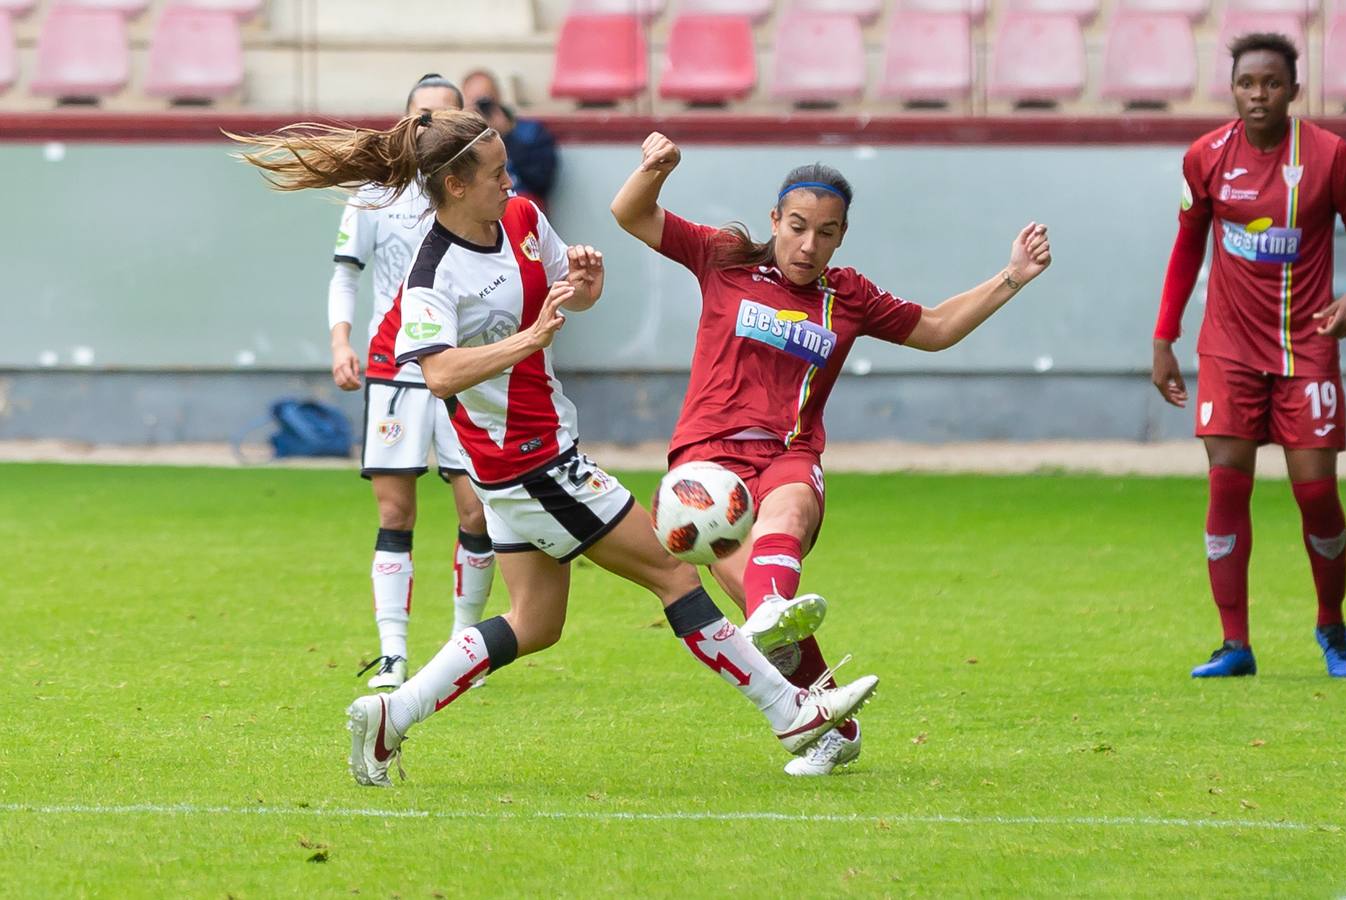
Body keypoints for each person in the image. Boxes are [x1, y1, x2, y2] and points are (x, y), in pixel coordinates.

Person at [233, 110, 878, 787]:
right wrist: (528, 340)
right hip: (531, 463)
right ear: (455, 185)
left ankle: (389, 718)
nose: (510, 180)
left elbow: (565, 292)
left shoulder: (519, 217)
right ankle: (794, 713)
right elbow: (439, 372)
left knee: (535, 622)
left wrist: (585, 289)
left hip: (526, 459)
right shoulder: (432, 277)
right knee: (677, 574)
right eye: (495, 172)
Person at [611, 133, 1052, 775]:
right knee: (775, 629)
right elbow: (630, 213)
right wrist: (654, 169)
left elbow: (933, 330)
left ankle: (769, 614)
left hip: (790, 452)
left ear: (842, 236)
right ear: (774, 221)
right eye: (796, 227)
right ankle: (832, 729)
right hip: (707, 466)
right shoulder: (724, 258)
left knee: (785, 520)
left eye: (825, 232)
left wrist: (1012, 275)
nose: (808, 244)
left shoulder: (848, 295)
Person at [1149, 33, 1346, 679]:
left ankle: (1331, 624)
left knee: (1316, 494)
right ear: (1233, 88)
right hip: (1228, 347)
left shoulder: (1331, 156)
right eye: (1248, 83)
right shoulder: (1205, 157)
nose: (1259, 95)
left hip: (1308, 346)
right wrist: (1163, 336)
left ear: (1293, 90)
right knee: (1227, 484)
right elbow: (1186, 249)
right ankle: (1235, 645)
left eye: (1272, 84)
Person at [326, 74, 495, 691]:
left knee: (476, 512)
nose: (429, 126)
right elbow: (346, 274)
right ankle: (393, 652)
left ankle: (463, 645)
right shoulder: (375, 193)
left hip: (458, 368)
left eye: (443, 117)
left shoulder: (473, 192)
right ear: (403, 122)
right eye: (421, 116)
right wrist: (341, 340)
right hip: (393, 367)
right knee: (395, 510)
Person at [461, 69, 559, 211]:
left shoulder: (531, 132)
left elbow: (541, 182)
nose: (484, 108)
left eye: (487, 100)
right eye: (477, 102)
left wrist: (507, 135)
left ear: (498, 96)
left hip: (522, 208)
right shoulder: (460, 139)